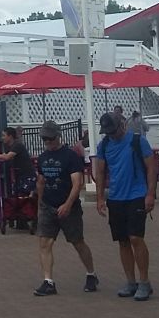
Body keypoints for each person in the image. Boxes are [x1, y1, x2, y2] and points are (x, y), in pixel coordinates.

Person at [93, 112, 157, 301]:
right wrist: (100, 198)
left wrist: (150, 194)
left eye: (114, 130)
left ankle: (144, 281)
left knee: (135, 237)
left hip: (137, 194)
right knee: (122, 240)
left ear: (122, 125)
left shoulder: (138, 141)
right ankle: (131, 281)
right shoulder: (104, 145)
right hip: (116, 197)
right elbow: (101, 171)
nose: (112, 135)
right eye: (108, 132)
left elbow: (151, 167)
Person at [32, 121, 97, 296]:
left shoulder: (70, 157)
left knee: (77, 242)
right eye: (45, 139)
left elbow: (77, 183)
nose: (48, 142)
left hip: (69, 206)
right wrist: (39, 204)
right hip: (48, 205)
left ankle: (91, 273)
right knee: (45, 242)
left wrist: (68, 204)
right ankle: (48, 281)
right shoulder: (43, 157)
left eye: (50, 138)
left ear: (58, 136)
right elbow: (41, 181)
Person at [0, 127, 35, 196]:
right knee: (17, 195)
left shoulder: (17, 145)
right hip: (18, 176)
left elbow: (7, 157)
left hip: (27, 175)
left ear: (10, 136)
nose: (2, 137)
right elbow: (3, 157)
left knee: (25, 196)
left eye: (4, 135)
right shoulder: (8, 146)